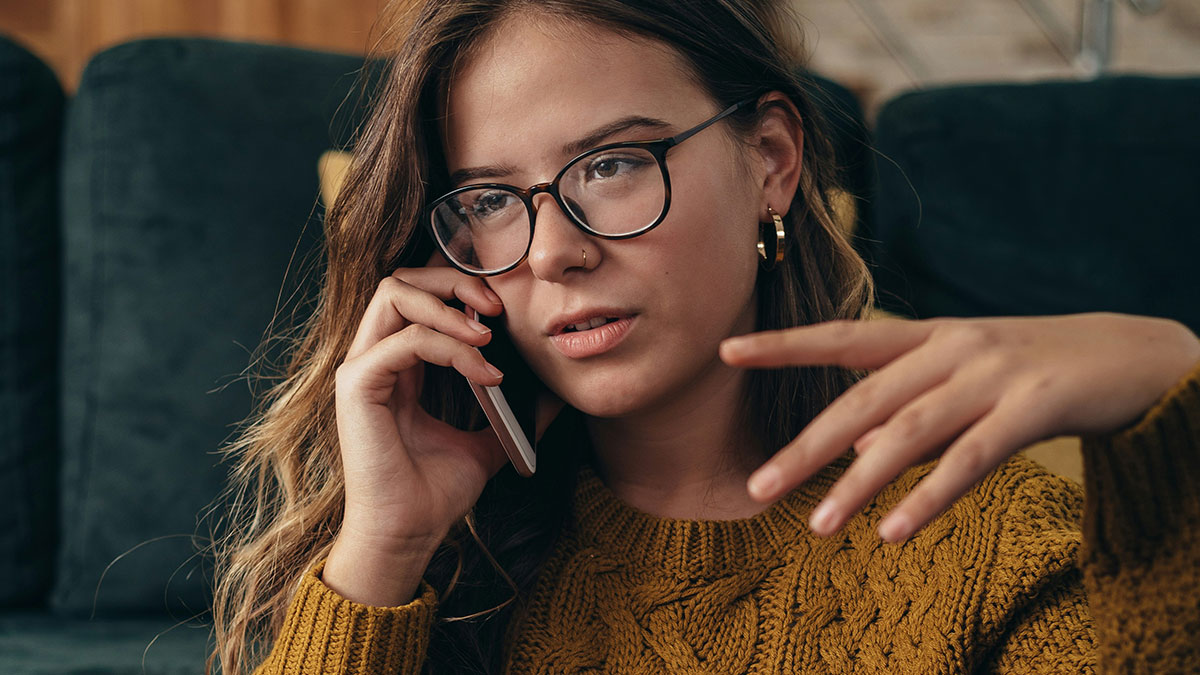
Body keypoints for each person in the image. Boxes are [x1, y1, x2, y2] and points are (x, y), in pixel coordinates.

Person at [208, 1, 1200, 673]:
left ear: (770, 158)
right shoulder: (445, 570)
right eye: (492, 198)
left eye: (611, 166)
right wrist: (385, 547)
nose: (553, 252)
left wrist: (1177, 383)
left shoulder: (988, 545)